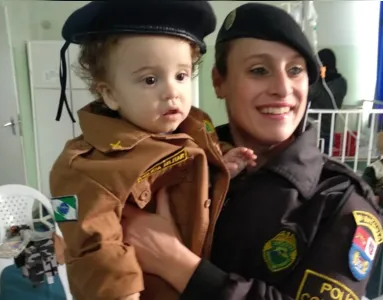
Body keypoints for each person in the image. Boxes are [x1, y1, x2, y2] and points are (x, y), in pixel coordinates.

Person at [122, 3, 383, 300]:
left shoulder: (339, 201)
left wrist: (175, 263)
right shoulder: (173, 163)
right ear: (219, 81)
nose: (283, 89)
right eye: (259, 70)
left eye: (295, 70)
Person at [49, 2, 256, 300]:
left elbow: (191, 182)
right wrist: (121, 291)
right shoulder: (87, 165)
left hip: (195, 282)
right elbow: (92, 242)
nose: (172, 91)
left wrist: (220, 163)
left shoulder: (196, 127)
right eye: (150, 79)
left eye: (181, 76)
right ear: (110, 94)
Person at [308, 48, 348, 154]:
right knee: (325, 158)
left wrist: (316, 78)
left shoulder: (319, 84)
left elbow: (308, 96)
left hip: (314, 128)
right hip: (329, 128)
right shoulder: (342, 82)